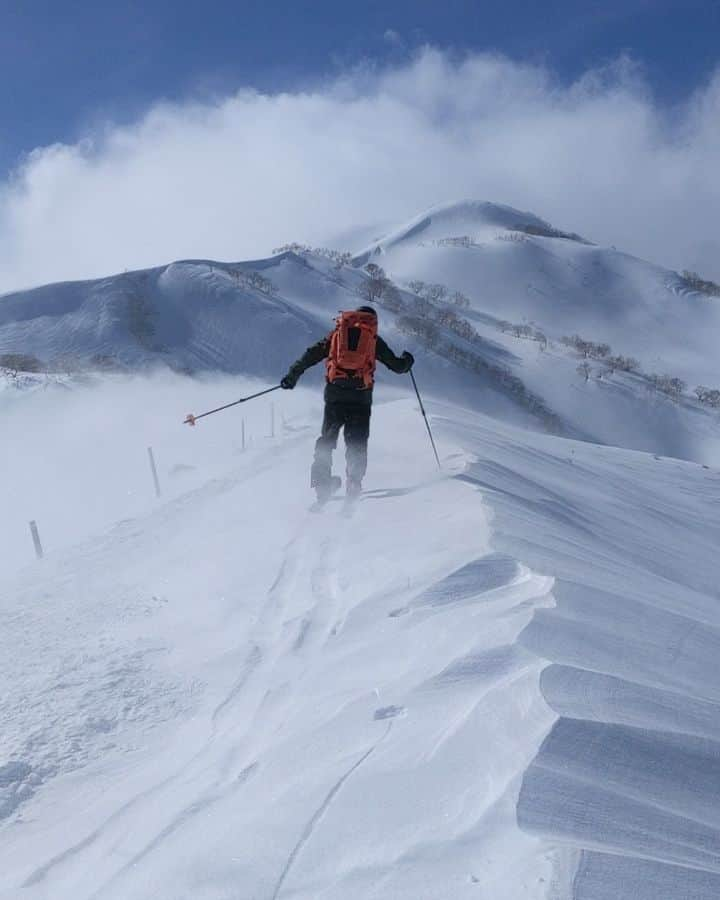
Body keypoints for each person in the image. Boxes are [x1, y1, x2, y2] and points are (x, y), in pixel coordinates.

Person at [280, 306, 414, 502]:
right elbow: (397, 366)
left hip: (335, 394)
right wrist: (408, 361)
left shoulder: (337, 335)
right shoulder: (373, 339)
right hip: (361, 396)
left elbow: (311, 355)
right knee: (357, 441)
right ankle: (354, 481)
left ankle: (322, 483)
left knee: (327, 438)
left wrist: (292, 376)